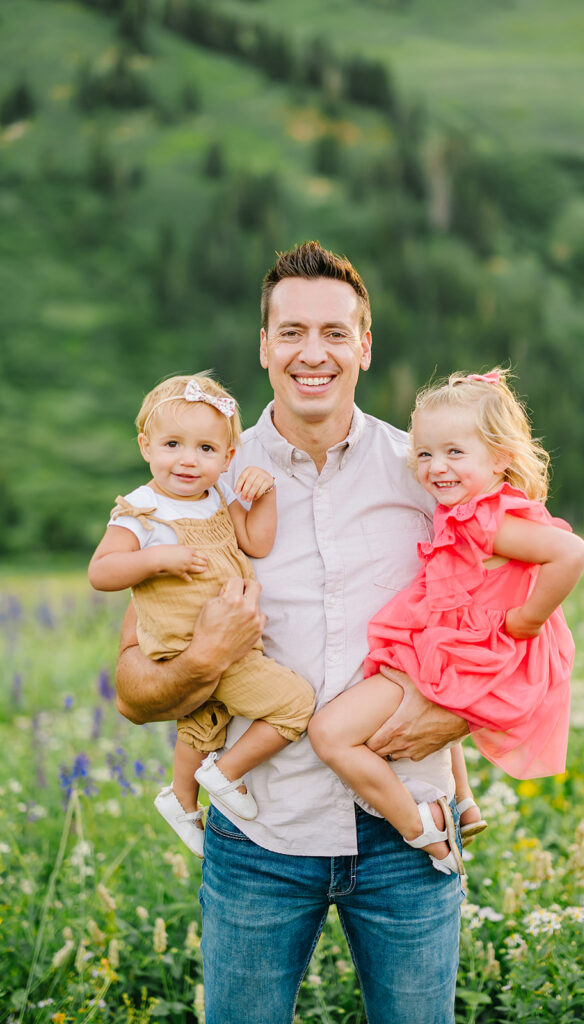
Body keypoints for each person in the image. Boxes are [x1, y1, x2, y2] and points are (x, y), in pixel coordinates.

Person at [115, 241, 470, 1024]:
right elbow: (136, 691)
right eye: (292, 332)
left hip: (408, 835)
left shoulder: (428, 472)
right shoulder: (201, 483)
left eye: (336, 333)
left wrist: (461, 714)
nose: (314, 353)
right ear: (264, 346)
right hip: (259, 837)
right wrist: (204, 658)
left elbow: (508, 619)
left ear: (365, 346)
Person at [308, 369, 584, 871]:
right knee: (408, 678)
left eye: (455, 453)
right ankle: (462, 799)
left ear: (500, 457)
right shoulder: (467, 508)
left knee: (331, 734)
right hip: (451, 638)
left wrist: (526, 620)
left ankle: (424, 830)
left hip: (474, 648)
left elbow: (570, 552)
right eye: (425, 454)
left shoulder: (487, 519)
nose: (437, 467)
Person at [89, 373, 315, 858]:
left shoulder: (218, 496)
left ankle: (182, 798)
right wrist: (156, 559)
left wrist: (266, 496)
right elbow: (101, 571)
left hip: (232, 638)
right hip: (189, 642)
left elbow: (257, 542)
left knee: (206, 719)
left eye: (207, 449)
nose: (189, 460)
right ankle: (224, 772)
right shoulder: (141, 510)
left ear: (228, 457)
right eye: (173, 444)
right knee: (296, 702)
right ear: (146, 445)